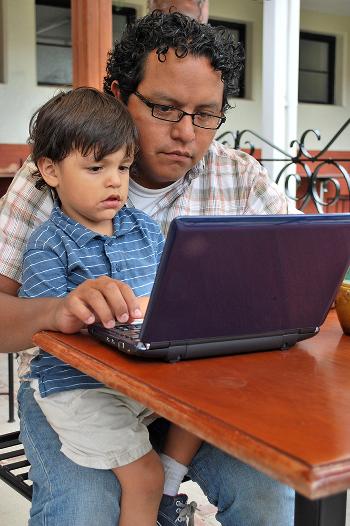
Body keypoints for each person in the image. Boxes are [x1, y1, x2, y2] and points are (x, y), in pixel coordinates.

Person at [0, 11, 294, 526]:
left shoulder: (238, 176)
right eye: (163, 108)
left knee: (268, 492)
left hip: (187, 387)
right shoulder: (55, 174)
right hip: (75, 388)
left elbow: (305, 268)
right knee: (84, 508)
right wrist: (57, 309)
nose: (186, 133)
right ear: (119, 93)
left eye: (206, 115)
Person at [19, 86, 201, 526]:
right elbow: (49, 331)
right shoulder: (49, 244)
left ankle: (169, 489)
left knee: (210, 401)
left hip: (143, 378)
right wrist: (87, 311)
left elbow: (169, 292)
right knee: (143, 477)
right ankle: (156, 491)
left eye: (122, 166)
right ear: (51, 170)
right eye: (96, 167)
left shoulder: (144, 229)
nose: (115, 181)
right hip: (80, 388)